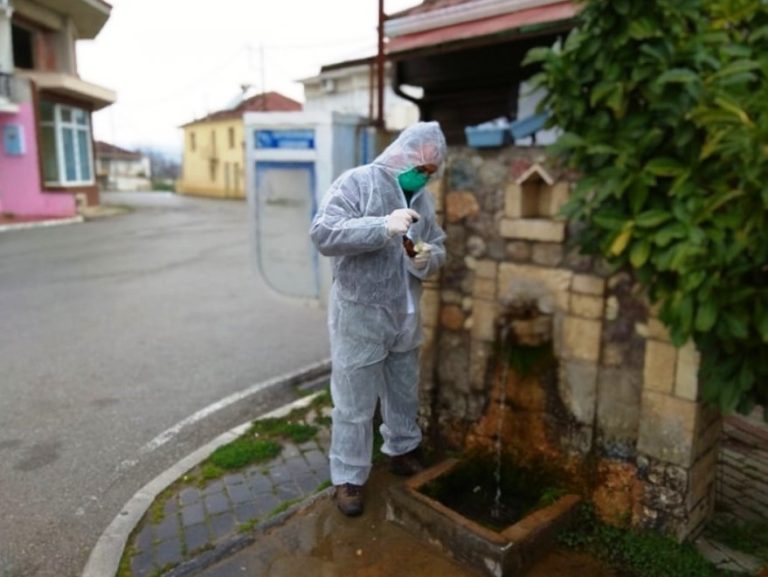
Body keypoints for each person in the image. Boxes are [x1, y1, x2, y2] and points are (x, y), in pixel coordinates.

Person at [309, 121, 447, 517]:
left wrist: (427, 257)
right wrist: (381, 226)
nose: (423, 176)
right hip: (361, 312)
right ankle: (349, 478)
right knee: (354, 400)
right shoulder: (357, 183)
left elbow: (437, 246)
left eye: (430, 171)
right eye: (420, 167)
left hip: (405, 314)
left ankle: (402, 450)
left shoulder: (422, 200)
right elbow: (323, 233)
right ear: (401, 156)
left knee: (403, 390)